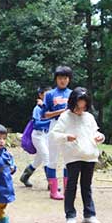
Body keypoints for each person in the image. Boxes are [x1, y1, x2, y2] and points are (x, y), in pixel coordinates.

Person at [50, 87, 105, 223]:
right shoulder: (65, 117)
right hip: (73, 156)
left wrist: (100, 137)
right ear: (72, 103)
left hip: (90, 156)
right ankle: (70, 215)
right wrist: (66, 137)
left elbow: (96, 133)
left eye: (84, 106)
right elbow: (55, 135)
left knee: (86, 186)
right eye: (78, 106)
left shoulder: (89, 117)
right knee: (71, 186)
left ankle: (89, 214)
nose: (80, 110)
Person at [43, 66, 73, 200]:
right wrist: (61, 111)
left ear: (69, 80)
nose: (63, 80)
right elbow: (45, 114)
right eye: (60, 78)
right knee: (52, 158)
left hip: (69, 126)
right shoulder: (49, 94)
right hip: (55, 126)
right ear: (56, 79)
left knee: (69, 158)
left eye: (65, 78)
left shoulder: (73, 94)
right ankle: (53, 191)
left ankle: (68, 189)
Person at [20, 86, 52, 187]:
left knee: (39, 159)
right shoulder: (37, 109)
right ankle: (51, 183)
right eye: (47, 95)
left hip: (46, 135)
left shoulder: (50, 108)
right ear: (41, 95)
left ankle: (25, 176)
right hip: (38, 136)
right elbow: (36, 124)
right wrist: (50, 122)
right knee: (47, 157)